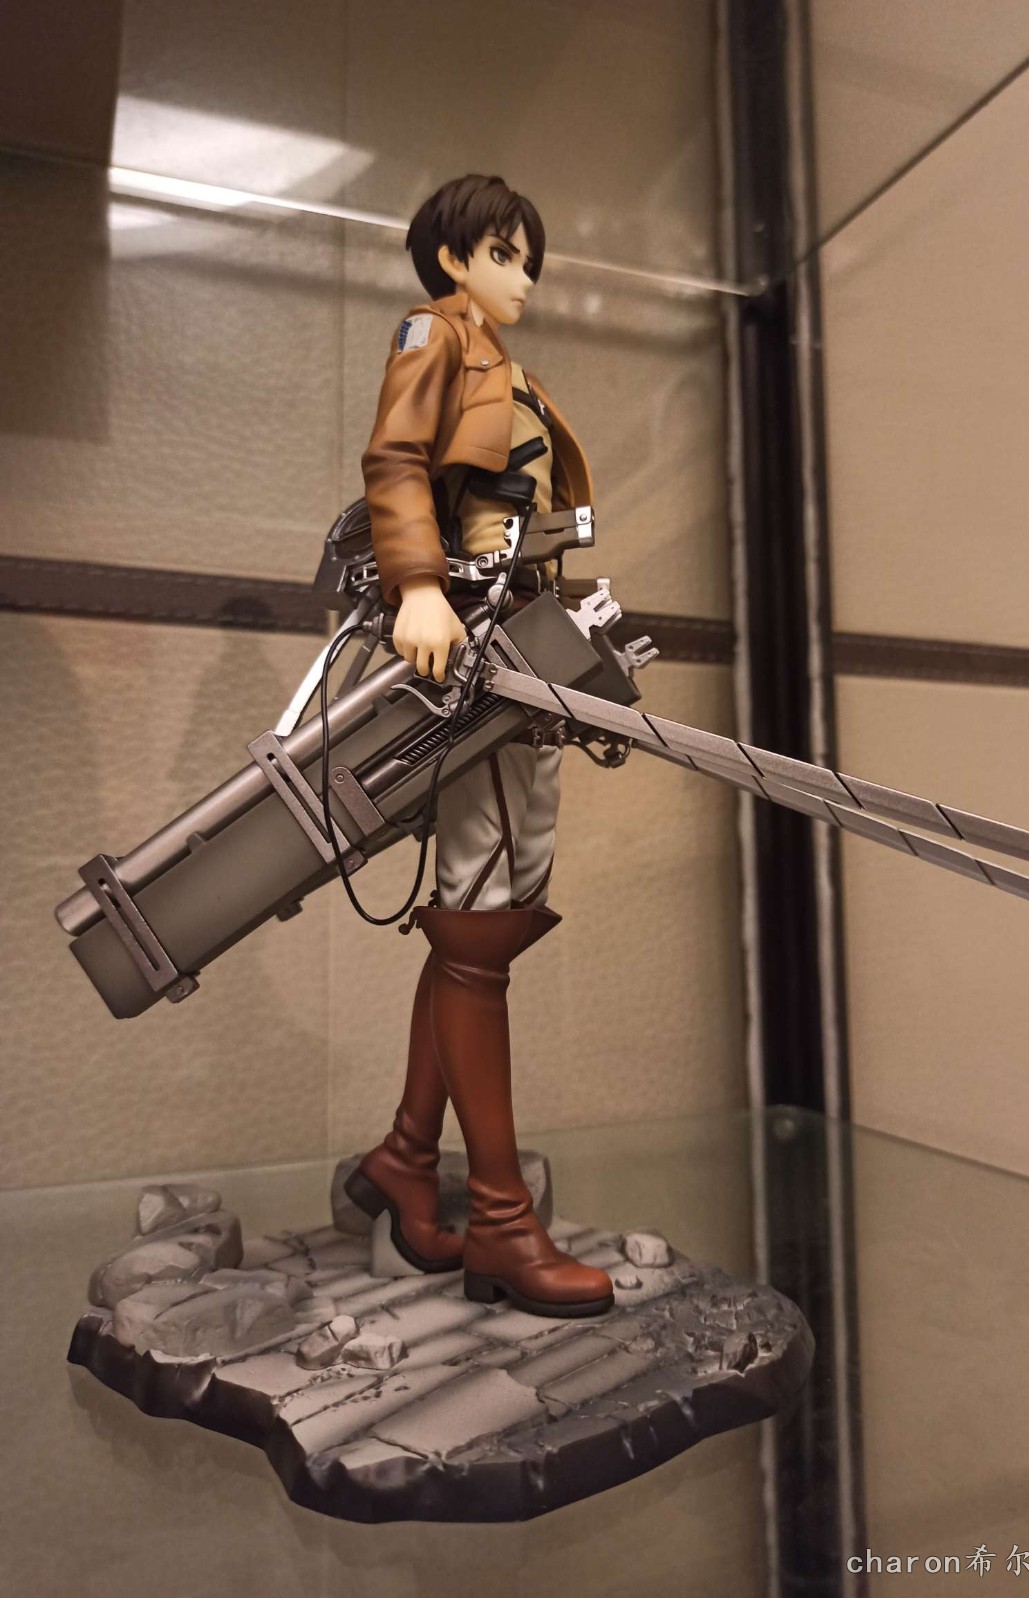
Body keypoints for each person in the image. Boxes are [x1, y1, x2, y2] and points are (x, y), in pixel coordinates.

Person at [345, 175, 614, 1318]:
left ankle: (408, 1153)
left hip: (521, 644)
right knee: (479, 912)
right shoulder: (435, 335)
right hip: (470, 651)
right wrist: (417, 585)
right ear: (454, 258)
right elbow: (396, 460)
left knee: (481, 919)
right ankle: (501, 1216)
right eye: (505, 253)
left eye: (529, 258)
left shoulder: (508, 366)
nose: (523, 277)